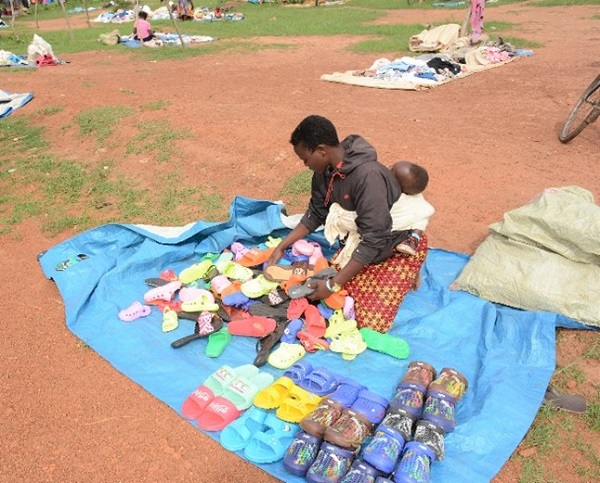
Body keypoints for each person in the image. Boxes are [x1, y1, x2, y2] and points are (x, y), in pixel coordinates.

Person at [267, 115, 429, 333]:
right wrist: (281, 247)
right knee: (333, 300)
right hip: (363, 243)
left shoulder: (367, 177)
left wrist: (333, 284)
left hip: (393, 244)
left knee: (368, 322)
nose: (305, 165)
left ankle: (411, 265)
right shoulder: (323, 174)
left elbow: (374, 239)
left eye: (305, 159)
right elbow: (316, 213)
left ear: (322, 150)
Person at [390, 160, 433, 256]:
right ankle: (414, 239)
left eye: (392, 171)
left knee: (420, 221)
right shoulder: (413, 193)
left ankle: (413, 239)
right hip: (414, 218)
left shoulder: (395, 199)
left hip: (393, 232)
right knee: (420, 221)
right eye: (392, 166)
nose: (388, 168)